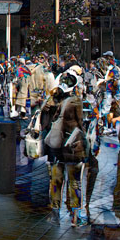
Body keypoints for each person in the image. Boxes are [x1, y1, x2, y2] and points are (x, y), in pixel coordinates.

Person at [45, 70, 88, 227]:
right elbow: (80, 123)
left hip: (55, 148)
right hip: (72, 148)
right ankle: (76, 216)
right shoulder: (75, 102)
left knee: (56, 181)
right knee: (74, 182)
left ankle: (55, 214)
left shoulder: (52, 100)